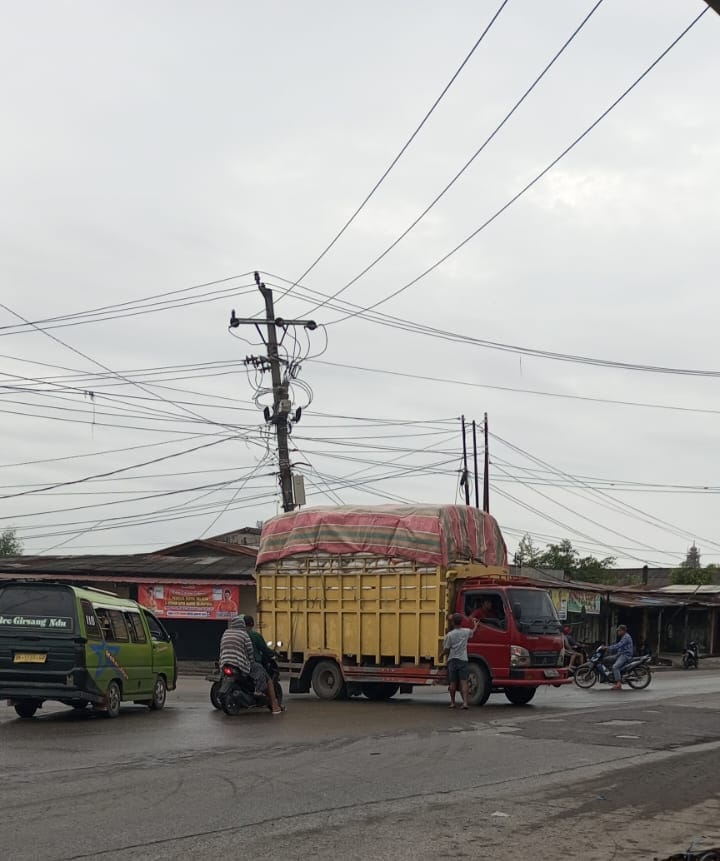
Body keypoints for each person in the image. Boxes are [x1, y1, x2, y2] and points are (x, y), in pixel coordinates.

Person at [219, 616, 282, 714]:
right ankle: (271, 703)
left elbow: (222, 647)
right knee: (263, 673)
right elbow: (250, 651)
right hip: (239, 663)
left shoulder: (226, 633)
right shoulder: (245, 635)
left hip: (224, 662)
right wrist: (251, 662)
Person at [442, 612, 480, 710]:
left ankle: (452, 703)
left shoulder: (450, 635)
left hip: (452, 660)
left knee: (453, 683)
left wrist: (440, 655)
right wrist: (475, 625)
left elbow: (446, 649)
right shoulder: (466, 632)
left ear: (453, 623)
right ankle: (465, 703)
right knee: (464, 682)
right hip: (463, 660)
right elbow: (473, 631)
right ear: (461, 622)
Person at [604, 624, 634, 691]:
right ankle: (612, 675)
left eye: (619, 631)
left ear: (623, 631)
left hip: (625, 655)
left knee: (615, 666)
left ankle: (618, 684)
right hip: (620, 654)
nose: (618, 632)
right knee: (606, 659)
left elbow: (618, 645)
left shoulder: (626, 637)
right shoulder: (623, 637)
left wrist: (608, 648)